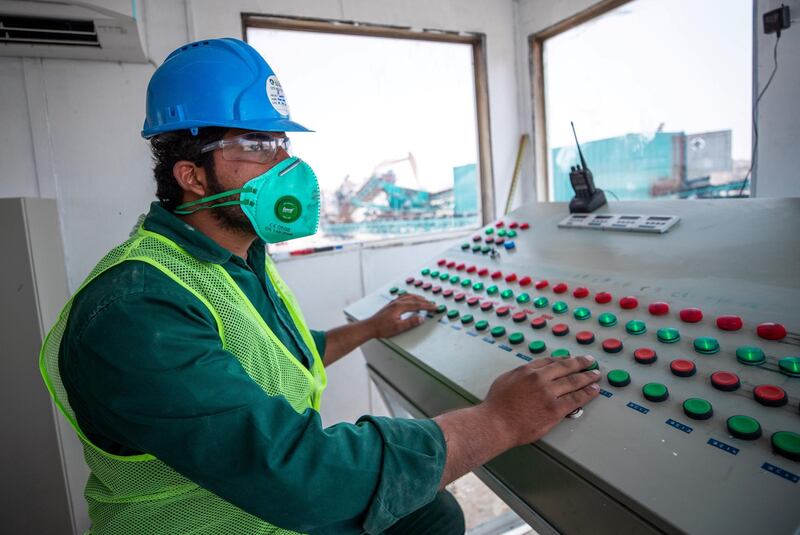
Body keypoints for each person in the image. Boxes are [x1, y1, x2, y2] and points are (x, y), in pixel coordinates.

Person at [40, 38, 600, 535]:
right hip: (226, 518)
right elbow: (301, 473)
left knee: (434, 513)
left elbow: (278, 357)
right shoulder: (137, 308)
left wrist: (369, 328)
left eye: (279, 143)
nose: (284, 165)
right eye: (254, 147)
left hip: (261, 500)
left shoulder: (236, 258)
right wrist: (497, 419)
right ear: (191, 175)